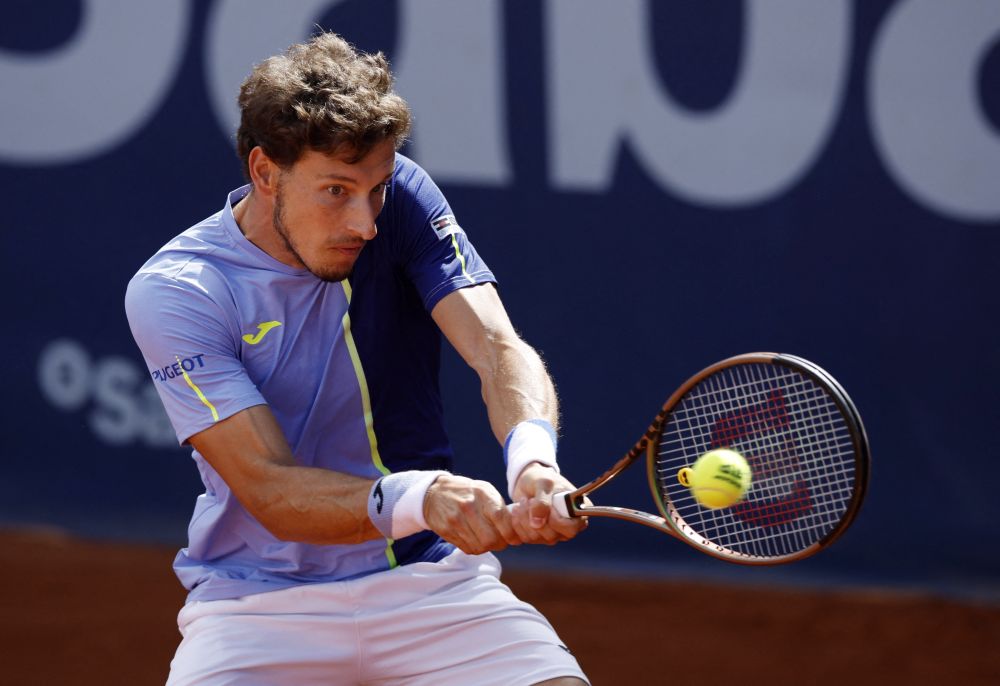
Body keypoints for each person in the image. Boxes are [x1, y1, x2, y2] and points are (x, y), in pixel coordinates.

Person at [125, 31, 590, 685]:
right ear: (264, 172)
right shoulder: (179, 291)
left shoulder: (401, 202)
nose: (365, 222)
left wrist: (533, 459)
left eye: (375, 188)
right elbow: (268, 487)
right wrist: (423, 496)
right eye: (336, 191)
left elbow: (496, 347)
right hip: (256, 606)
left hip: (431, 585)